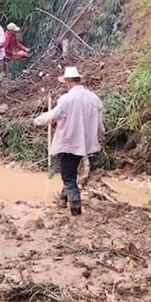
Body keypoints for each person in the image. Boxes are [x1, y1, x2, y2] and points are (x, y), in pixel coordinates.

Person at [32, 66, 104, 216]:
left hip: (69, 143)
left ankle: (76, 209)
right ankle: (63, 199)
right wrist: (99, 138)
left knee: (68, 177)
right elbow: (99, 125)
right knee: (70, 172)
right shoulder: (94, 99)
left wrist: (37, 120)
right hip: (84, 143)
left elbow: (53, 115)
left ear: (68, 81)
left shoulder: (67, 99)